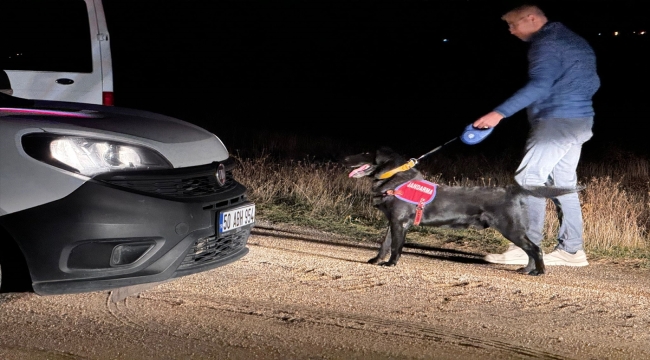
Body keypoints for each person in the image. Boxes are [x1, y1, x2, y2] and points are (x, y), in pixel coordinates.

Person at [472, 3, 600, 266]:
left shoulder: (546, 43)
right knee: (562, 184)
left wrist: (499, 113)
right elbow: (592, 81)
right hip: (580, 120)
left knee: (529, 179)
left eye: (513, 24)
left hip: (557, 121)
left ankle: (526, 247)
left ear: (531, 19)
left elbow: (540, 84)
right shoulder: (574, 40)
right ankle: (572, 251)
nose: (511, 31)